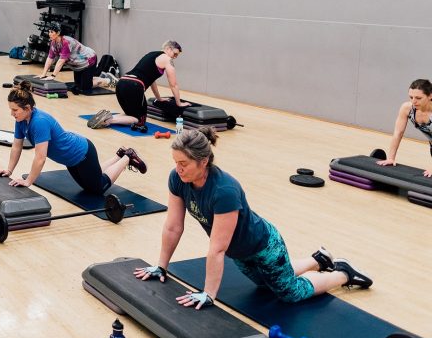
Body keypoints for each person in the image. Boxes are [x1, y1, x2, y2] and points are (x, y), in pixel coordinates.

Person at [134, 127, 372, 308]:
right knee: (265, 283)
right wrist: (160, 267)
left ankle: (342, 272)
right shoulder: (178, 179)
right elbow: (174, 227)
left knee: (290, 292)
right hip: (240, 253)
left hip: (264, 247)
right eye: (176, 163)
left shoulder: (224, 191)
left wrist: (208, 294)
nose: (178, 169)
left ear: (203, 161)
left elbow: (217, 248)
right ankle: (318, 259)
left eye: (183, 163)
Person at [0, 80, 146, 193]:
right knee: (90, 185)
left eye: (14, 110)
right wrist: (9, 170)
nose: (11, 114)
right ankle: (119, 155)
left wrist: (28, 181)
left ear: (27, 108)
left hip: (81, 153)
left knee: (98, 188)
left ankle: (128, 157)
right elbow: (16, 146)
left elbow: (40, 157)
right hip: (71, 160)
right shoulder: (21, 120)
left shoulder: (39, 122)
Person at [87, 41, 186, 132]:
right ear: (168, 49)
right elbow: (173, 84)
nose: (175, 57)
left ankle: (104, 117)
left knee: (130, 115)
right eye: (175, 54)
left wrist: (159, 98)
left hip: (121, 83)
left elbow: (152, 80)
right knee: (139, 120)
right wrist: (179, 103)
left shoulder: (151, 55)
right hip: (134, 86)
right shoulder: (167, 59)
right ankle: (108, 120)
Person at [39, 25, 118, 94]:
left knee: (85, 87)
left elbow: (61, 61)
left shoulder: (66, 42)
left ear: (58, 33)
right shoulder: (53, 43)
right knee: (78, 85)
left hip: (89, 60)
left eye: (52, 32)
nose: (49, 34)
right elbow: (50, 58)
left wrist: (53, 75)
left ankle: (108, 80)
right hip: (77, 66)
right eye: (49, 31)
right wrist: (43, 74)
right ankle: (100, 76)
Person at [378, 78, 432, 177]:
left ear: (430, 96)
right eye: (411, 97)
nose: (414, 101)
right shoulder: (407, 108)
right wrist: (391, 158)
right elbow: (398, 133)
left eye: (418, 98)